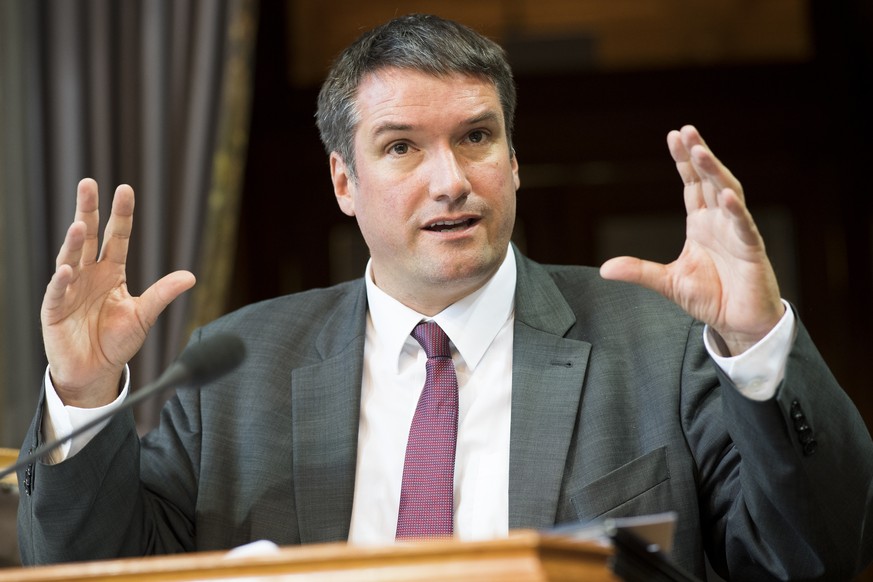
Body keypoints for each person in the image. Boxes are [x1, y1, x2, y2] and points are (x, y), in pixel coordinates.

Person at [16, 13, 873, 580]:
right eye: (401, 148)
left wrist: (759, 344)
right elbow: (94, 567)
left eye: (476, 138)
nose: (451, 181)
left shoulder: (660, 343)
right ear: (343, 180)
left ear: (514, 159)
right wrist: (84, 396)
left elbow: (815, 556)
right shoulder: (236, 372)